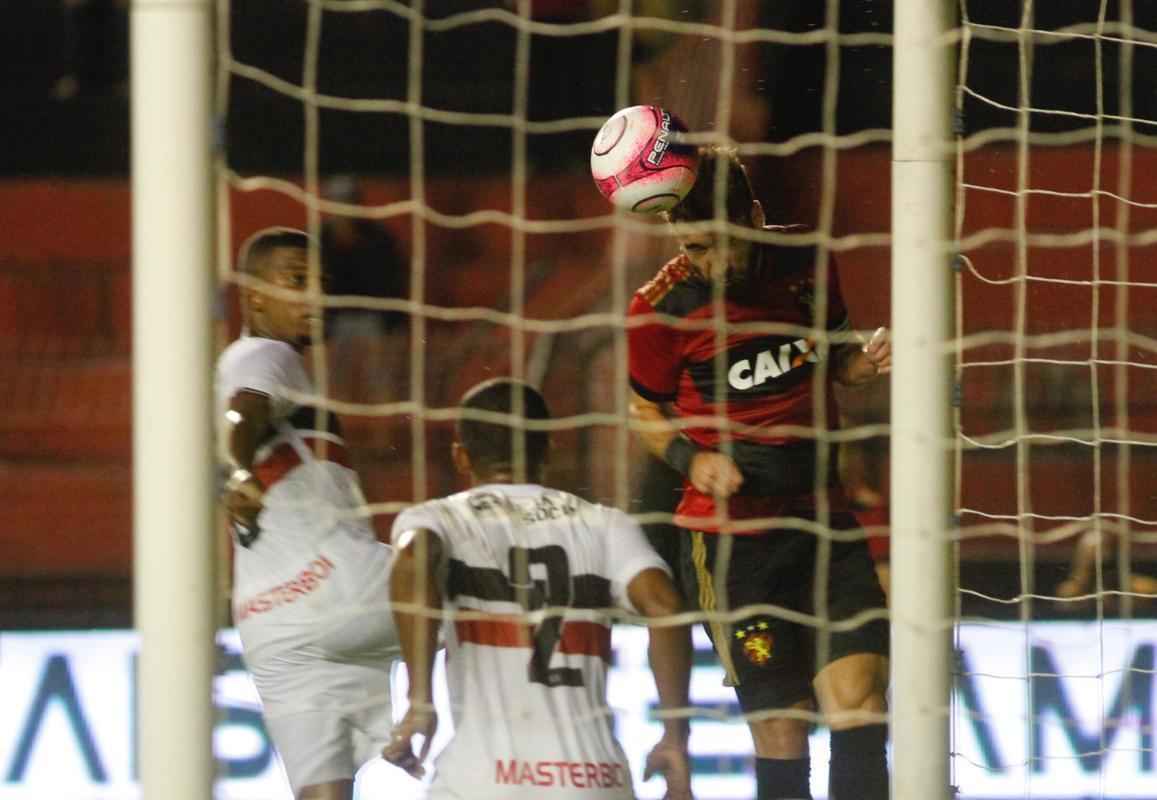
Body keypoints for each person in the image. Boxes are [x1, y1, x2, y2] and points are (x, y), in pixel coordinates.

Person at [625, 148, 892, 800]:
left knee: (860, 700)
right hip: (732, 542)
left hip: (823, 520)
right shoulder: (658, 307)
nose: (709, 265)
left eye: (721, 246)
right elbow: (643, 410)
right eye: (693, 248)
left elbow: (832, 359)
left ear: (753, 216)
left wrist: (865, 362)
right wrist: (694, 458)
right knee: (781, 727)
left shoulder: (805, 261)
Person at [382, 378, 693, 800]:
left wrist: (420, 700)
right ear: (548, 449)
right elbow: (666, 606)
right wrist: (675, 735)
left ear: (461, 456)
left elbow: (413, 559)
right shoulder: (604, 523)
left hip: (486, 780)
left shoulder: (439, 519)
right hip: (594, 779)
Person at [217, 227, 400, 800]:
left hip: (271, 623)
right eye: (296, 281)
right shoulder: (267, 355)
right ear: (254, 296)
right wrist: (242, 471)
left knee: (323, 794)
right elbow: (244, 413)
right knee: (489, 578)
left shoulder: (228, 367)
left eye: (321, 283)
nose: (314, 297)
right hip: (337, 585)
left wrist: (239, 471)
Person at [320, 175, 409, 404]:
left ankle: (385, 429)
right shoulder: (319, 240)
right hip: (335, 320)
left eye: (347, 201)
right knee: (333, 380)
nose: (343, 209)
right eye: (338, 202)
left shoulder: (379, 239)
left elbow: (393, 282)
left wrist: (394, 323)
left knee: (380, 379)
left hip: (373, 318)